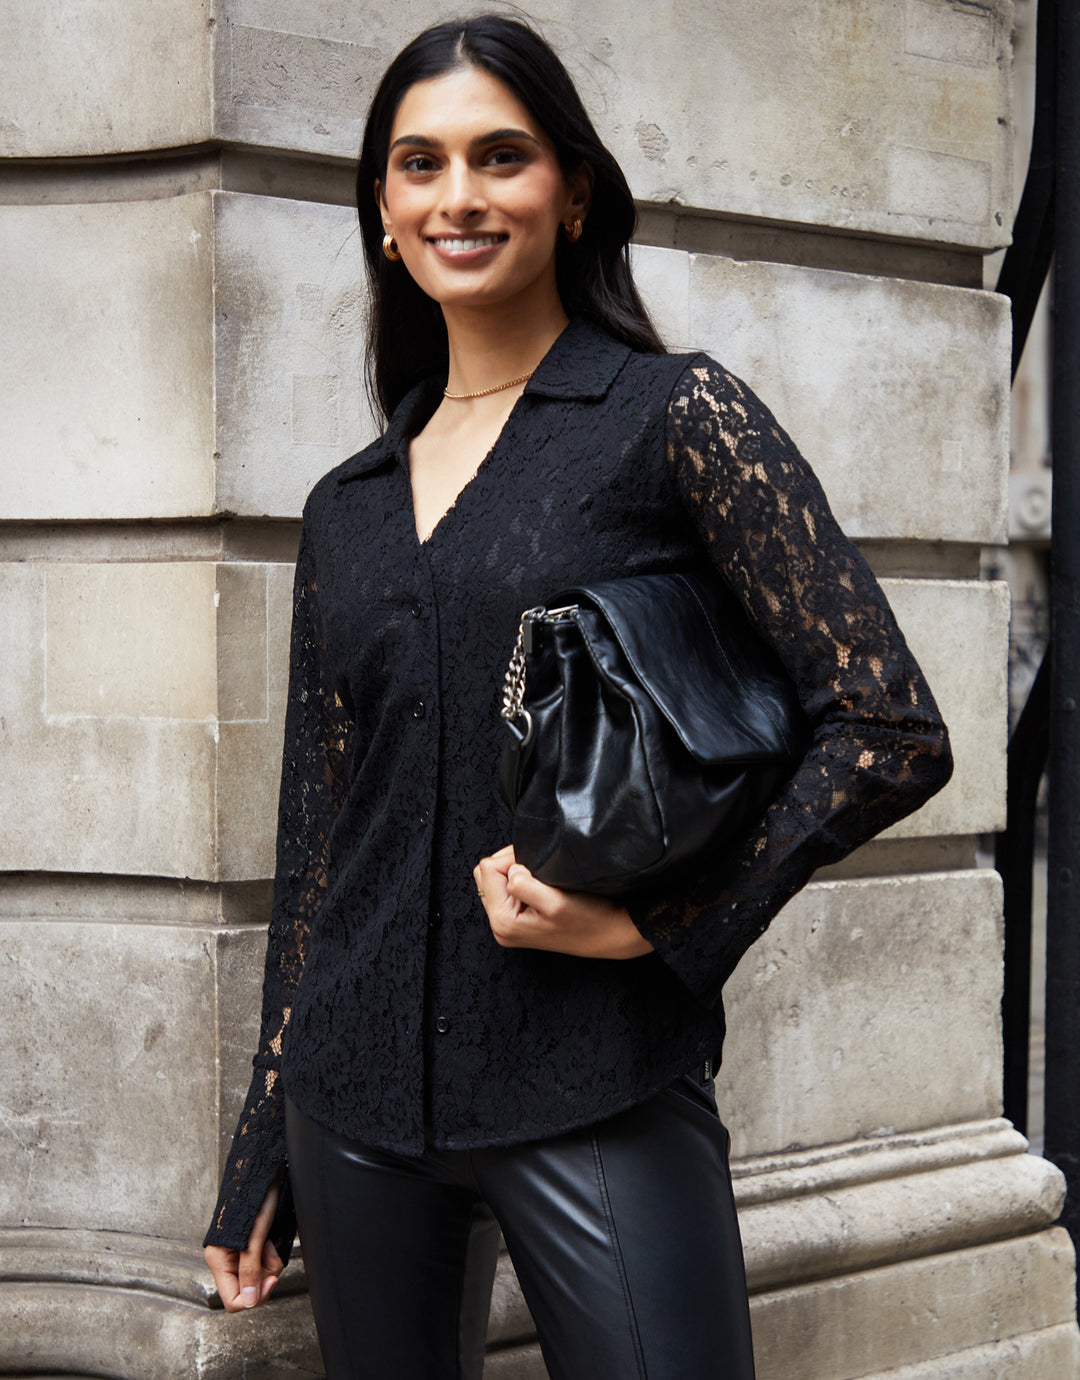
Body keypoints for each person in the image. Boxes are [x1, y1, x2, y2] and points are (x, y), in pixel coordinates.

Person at [203, 14, 953, 1378]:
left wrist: (670, 927)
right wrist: (262, 1135)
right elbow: (318, 842)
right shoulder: (345, 507)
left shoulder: (673, 419)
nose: (460, 196)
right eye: (420, 164)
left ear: (575, 191)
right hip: (353, 1105)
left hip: (595, 1076)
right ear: (383, 215)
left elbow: (887, 725)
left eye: (502, 156)